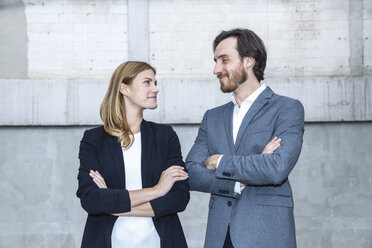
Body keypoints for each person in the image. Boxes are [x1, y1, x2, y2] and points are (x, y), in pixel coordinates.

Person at [186, 28, 304, 248]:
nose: (216, 69)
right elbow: (191, 173)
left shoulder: (287, 109)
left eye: (224, 60)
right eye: (215, 61)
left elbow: (277, 168)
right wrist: (238, 182)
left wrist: (217, 161)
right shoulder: (212, 117)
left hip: (266, 235)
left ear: (248, 60)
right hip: (219, 238)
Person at [76, 61, 189, 248]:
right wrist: (157, 191)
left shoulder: (165, 136)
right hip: (107, 242)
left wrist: (112, 205)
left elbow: (179, 198)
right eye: (147, 82)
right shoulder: (94, 139)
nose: (155, 89)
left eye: (155, 82)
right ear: (124, 88)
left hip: (160, 241)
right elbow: (91, 199)